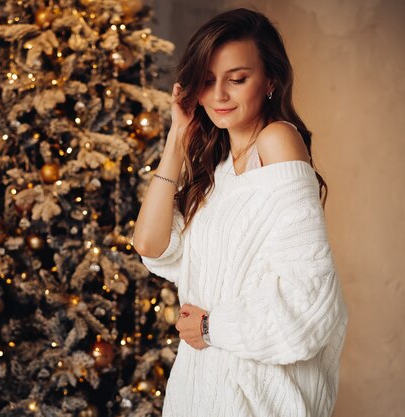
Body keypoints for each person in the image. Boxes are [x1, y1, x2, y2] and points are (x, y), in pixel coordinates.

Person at [132, 8, 348, 417]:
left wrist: (213, 328)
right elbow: (151, 245)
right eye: (208, 81)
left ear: (270, 81)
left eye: (237, 79)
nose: (218, 96)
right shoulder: (217, 171)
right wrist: (177, 137)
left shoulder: (277, 140)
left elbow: (311, 297)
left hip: (252, 397)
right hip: (202, 388)